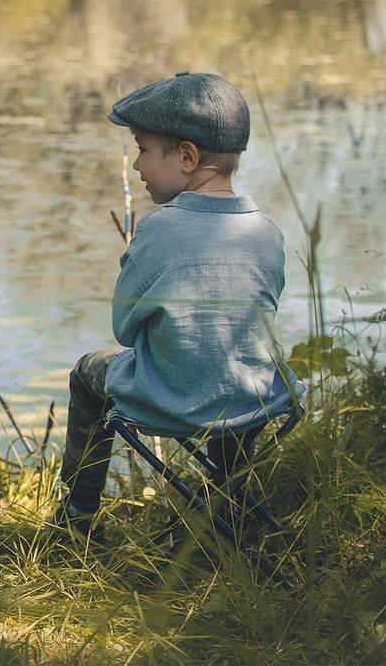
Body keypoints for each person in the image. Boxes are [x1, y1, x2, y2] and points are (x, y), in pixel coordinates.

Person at [53, 72, 303, 533]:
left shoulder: (157, 229)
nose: (136, 165)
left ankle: (77, 517)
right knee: (230, 363)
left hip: (175, 403)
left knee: (88, 372)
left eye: (143, 149)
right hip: (257, 400)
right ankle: (231, 504)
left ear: (187, 156)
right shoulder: (267, 230)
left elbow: (124, 329)